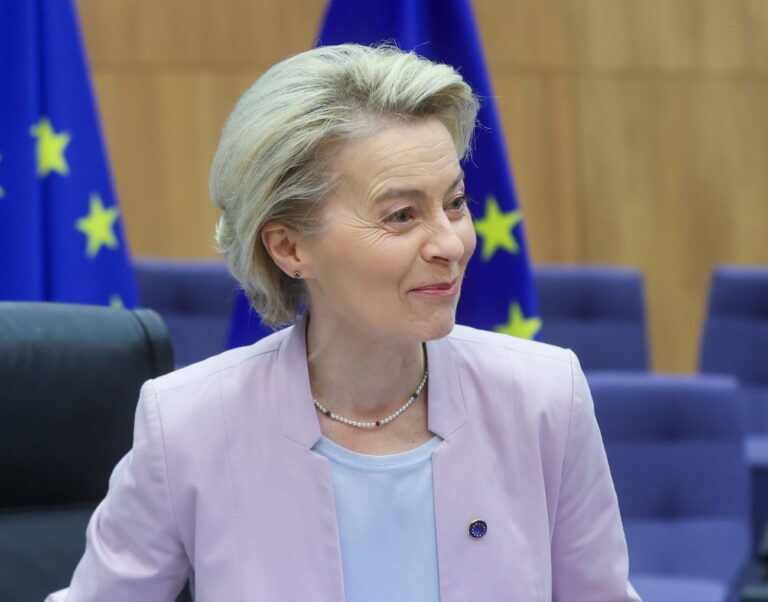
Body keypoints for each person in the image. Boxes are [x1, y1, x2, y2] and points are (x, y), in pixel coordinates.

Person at [47, 44, 640, 601]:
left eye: (455, 203)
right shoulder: (191, 424)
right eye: (402, 215)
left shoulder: (543, 397)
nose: (451, 243)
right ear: (288, 248)